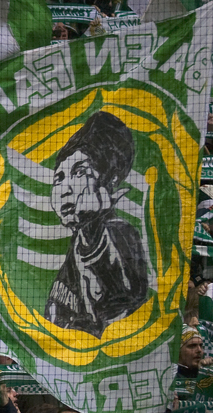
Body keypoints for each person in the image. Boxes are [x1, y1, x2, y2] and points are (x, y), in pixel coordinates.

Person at [45, 110, 149, 336]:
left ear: (109, 181)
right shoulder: (76, 245)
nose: (64, 189)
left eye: (79, 172)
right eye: (59, 178)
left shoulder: (120, 233)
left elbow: (120, 307)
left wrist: (93, 228)